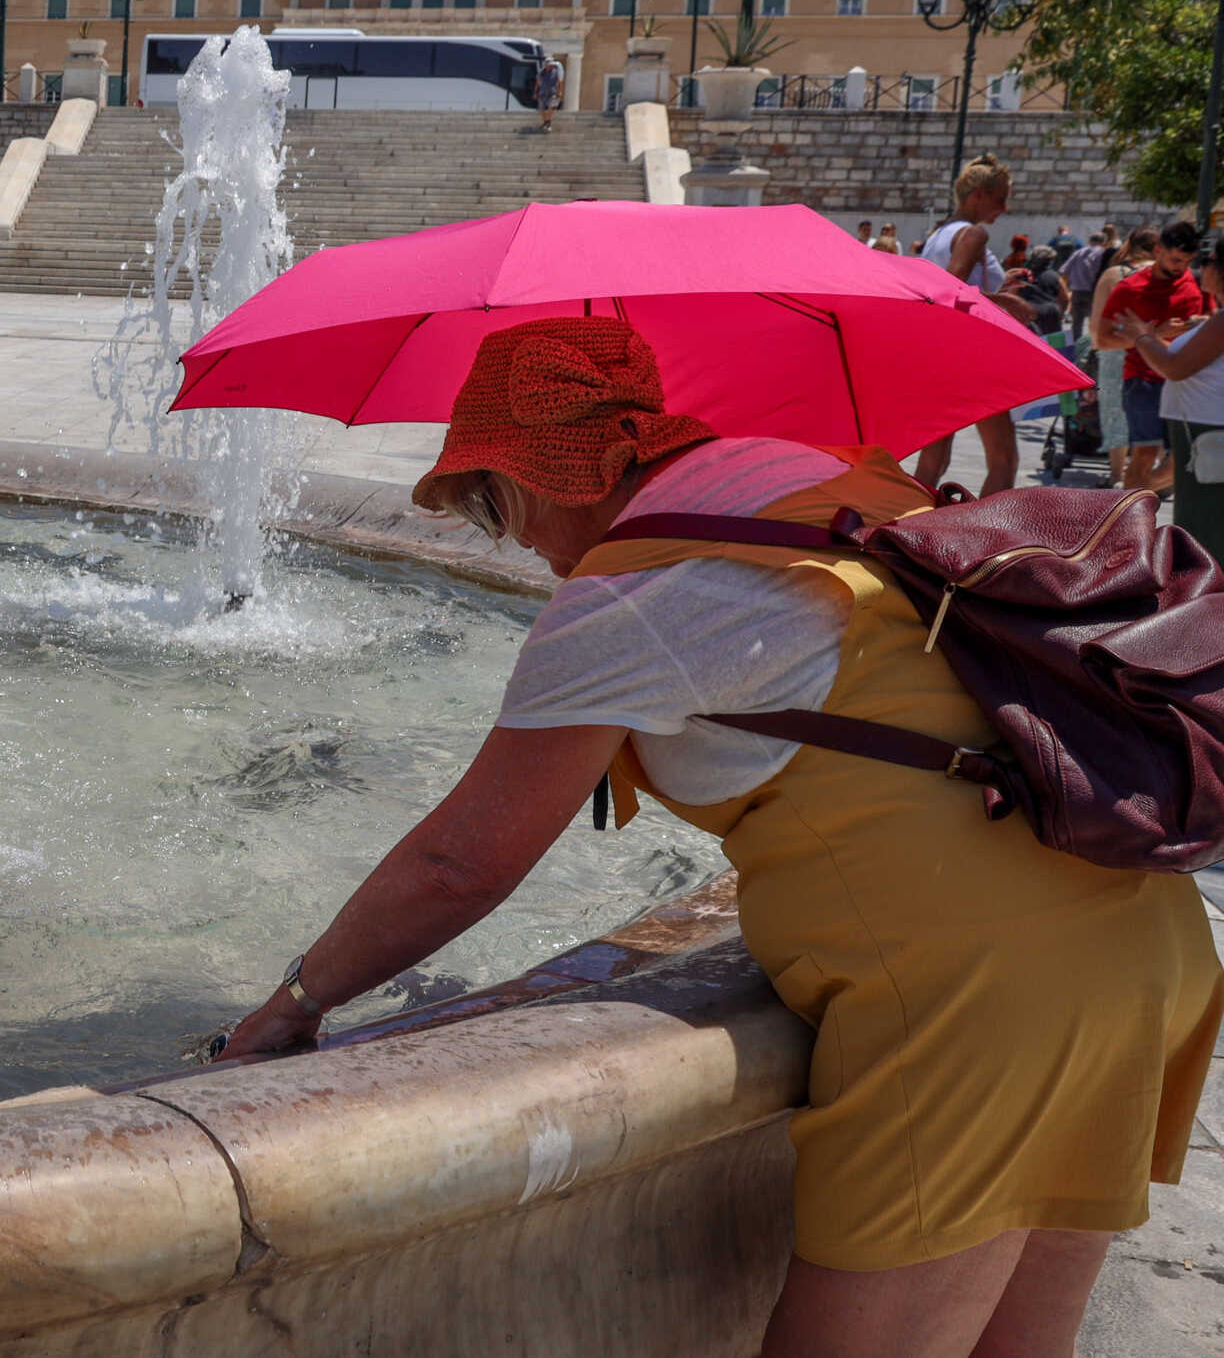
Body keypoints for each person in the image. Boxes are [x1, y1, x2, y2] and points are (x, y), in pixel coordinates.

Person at [217, 316, 1220, 1358]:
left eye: (492, 508)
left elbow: (456, 864)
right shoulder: (818, 477)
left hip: (978, 1008)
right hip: (1134, 928)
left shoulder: (628, 595)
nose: (515, 544)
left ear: (536, 481)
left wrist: (295, 1003)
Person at [911, 155, 1024, 495]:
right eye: (1000, 198)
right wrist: (1007, 302)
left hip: (939, 355)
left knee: (932, 460)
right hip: (973, 357)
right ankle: (989, 540)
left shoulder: (938, 234)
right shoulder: (973, 234)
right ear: (978, 196)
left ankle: (896, 526)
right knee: (1004, 460)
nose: (1004, 208)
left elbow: (939, 290)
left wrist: (998, 289)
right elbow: (952, 289)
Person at [1114, 243, 1224, 556]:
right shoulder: (1214, 321)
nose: (1204, 266)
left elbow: (1175, 368)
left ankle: (1206, 600)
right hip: (1202, 432)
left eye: (1210, 260)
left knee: (1203, 529)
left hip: (1208, 433)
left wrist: (1141, 335)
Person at [1101, 221, 1213, 493]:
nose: (1180, 267)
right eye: (1176, 259)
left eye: (1187, 261)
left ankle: (1135, 498)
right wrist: (1152, 334)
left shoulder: (1194, 282)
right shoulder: (1130, 288)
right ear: (1159, 250)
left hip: (1187, 380)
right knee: (1145, 454)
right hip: (1144, 379)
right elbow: (1104, 339)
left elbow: (1212, 320)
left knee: (1183, 458)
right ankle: (1128, 517)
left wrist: (1200, 323)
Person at [1087, 227, 1161, 472]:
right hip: (1158, 348)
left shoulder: (1113, 274)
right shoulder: (1166, 274)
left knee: (1115, 411)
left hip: (1116, 349)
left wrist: (1099, 346)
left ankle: (1117, 474)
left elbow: (1096, 324)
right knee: (1154, 409)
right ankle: (1152, 472)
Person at [534, 54, 565, 133]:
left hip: (552, 93)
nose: (550, 65)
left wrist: (560, 91)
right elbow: (537, 82)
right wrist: (535, 92)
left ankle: (548, 123)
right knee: (541, 109)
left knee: (551, 107)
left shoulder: (556, 72)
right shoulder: (541, 72)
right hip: (542, 93)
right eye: (549, 64)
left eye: (551, 64)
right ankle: (546, 122)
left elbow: (560, 82)